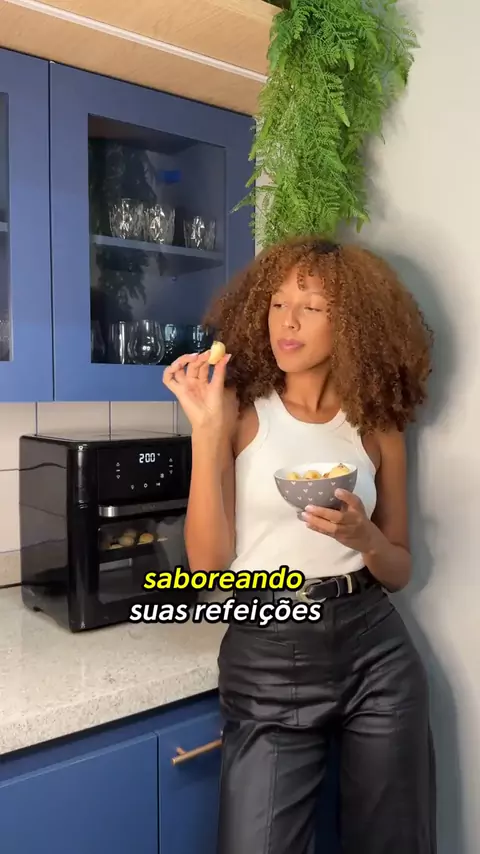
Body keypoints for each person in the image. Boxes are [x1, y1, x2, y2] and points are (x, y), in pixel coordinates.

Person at [163, 237, 436, 854]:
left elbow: (399, 568)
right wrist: (206, 433)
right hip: (266, 647)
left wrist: (365, 536)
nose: (287, 321)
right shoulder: (239, 413)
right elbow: (206, 566)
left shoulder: (378, 424)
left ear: (353, 324)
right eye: (278, 303)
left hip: (375, 650)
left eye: (311, 308)